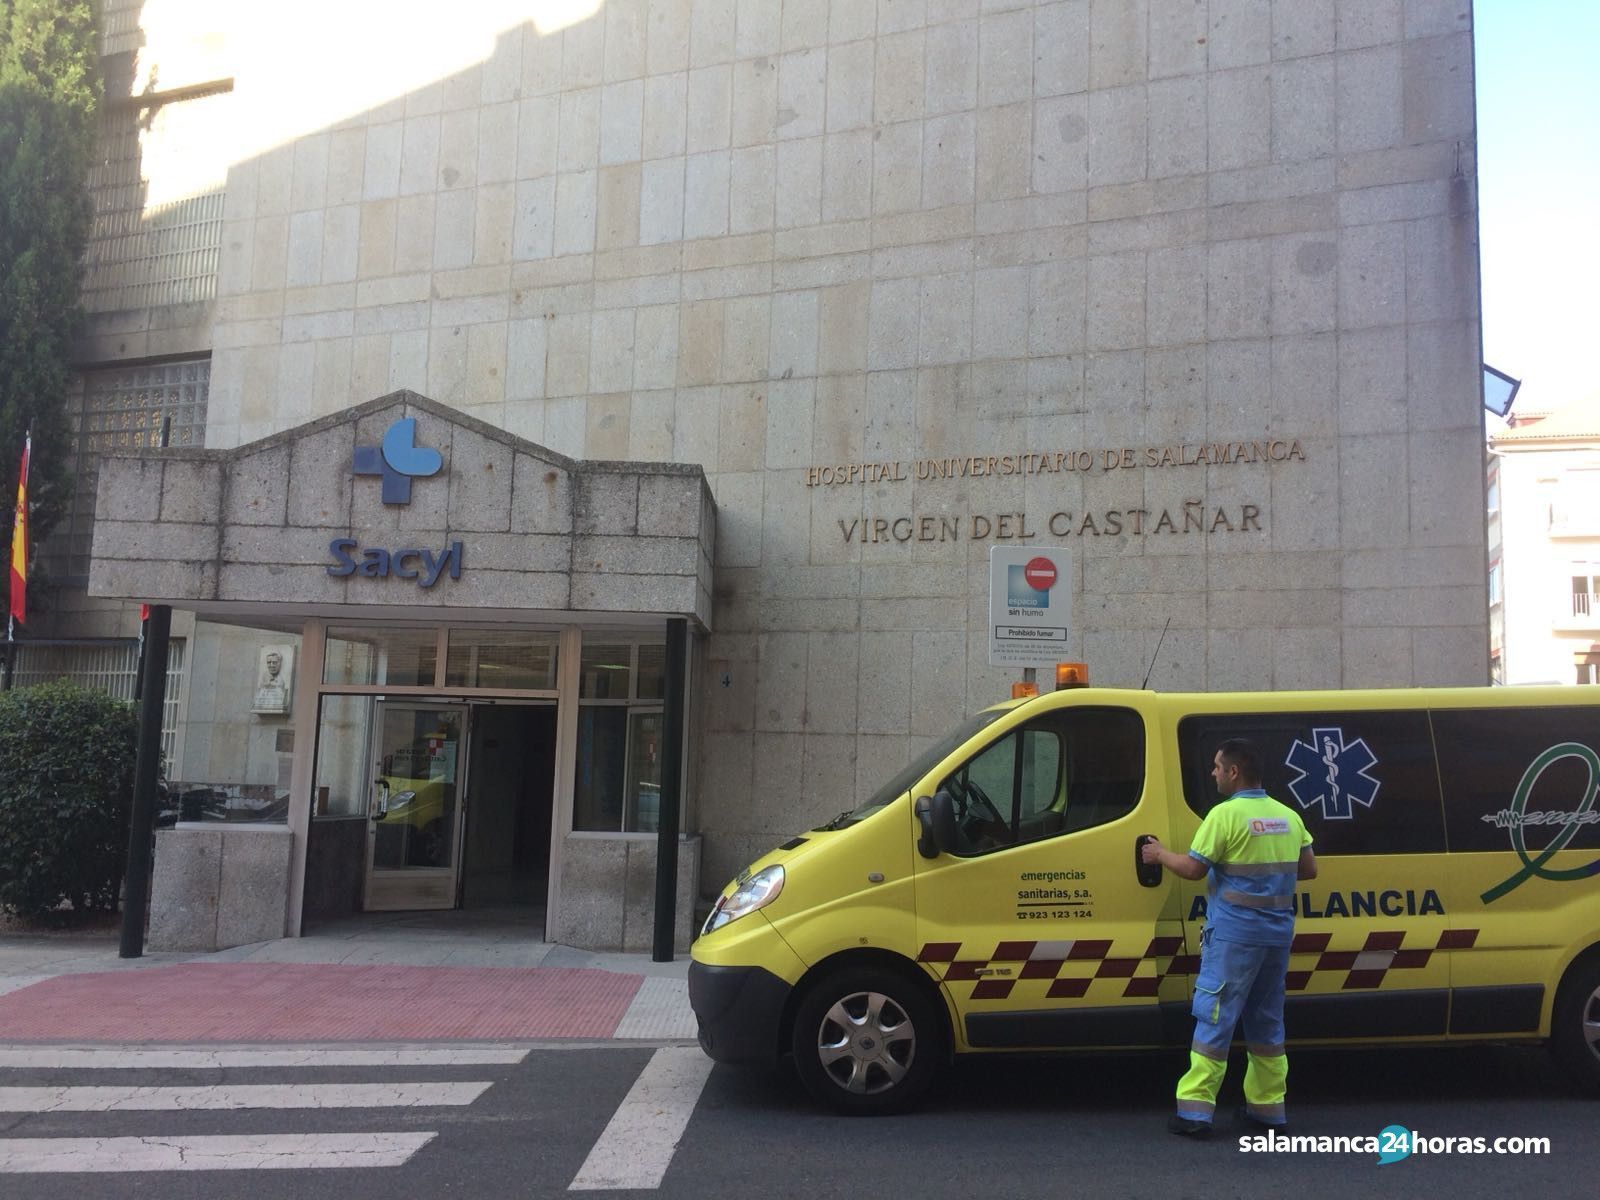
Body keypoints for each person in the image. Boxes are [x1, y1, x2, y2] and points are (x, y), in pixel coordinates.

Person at [1140, 738, 1316, 1138]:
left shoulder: (1225, 815)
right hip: (1276, 935)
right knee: (1267, 1023)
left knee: (1214, 1017)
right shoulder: (1287, 816)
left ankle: (1195, 1113)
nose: (1213, 773)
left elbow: (1191, 869)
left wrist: (1160, 855)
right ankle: (1268, 1110)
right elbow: (1308, 869)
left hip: (1236, 936)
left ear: (1234, 772)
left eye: (1218, 767)